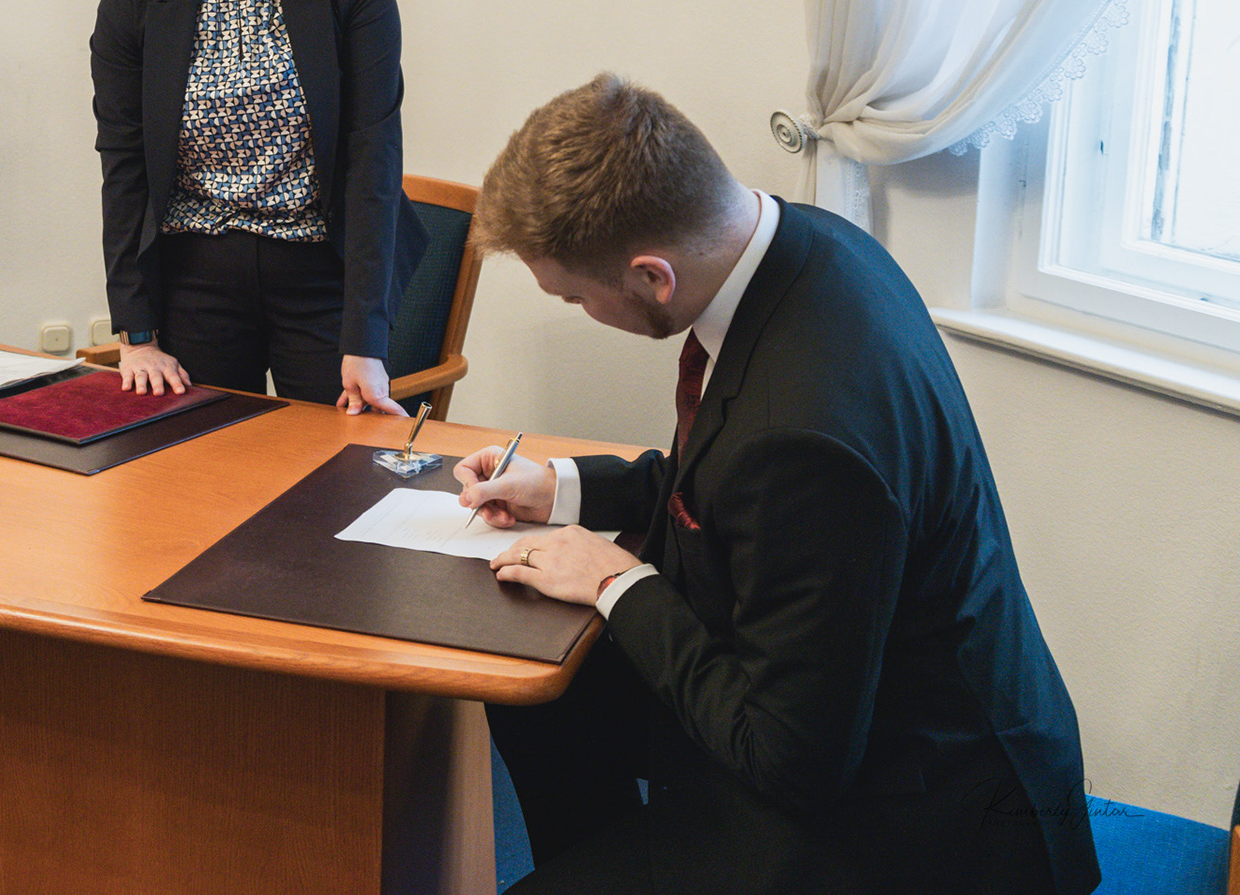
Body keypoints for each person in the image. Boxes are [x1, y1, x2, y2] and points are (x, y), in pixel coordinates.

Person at [453, 74, 1099, 895]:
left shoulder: (805, 434)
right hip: (845, 703)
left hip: (918, 813)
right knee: (542, 699)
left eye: (577, 296)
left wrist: (619, 583)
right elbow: (725, 481)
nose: (579, 309)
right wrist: (562, 487)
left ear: (653, 277)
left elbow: (793, 760)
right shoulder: (807, 246)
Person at [89, 0, 426, 412]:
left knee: (338, 462)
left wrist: (367, 340)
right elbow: (123, 163)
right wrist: (136, 335)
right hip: (194, 280)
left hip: (325, 275)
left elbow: (373, 155)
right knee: (201, 460)